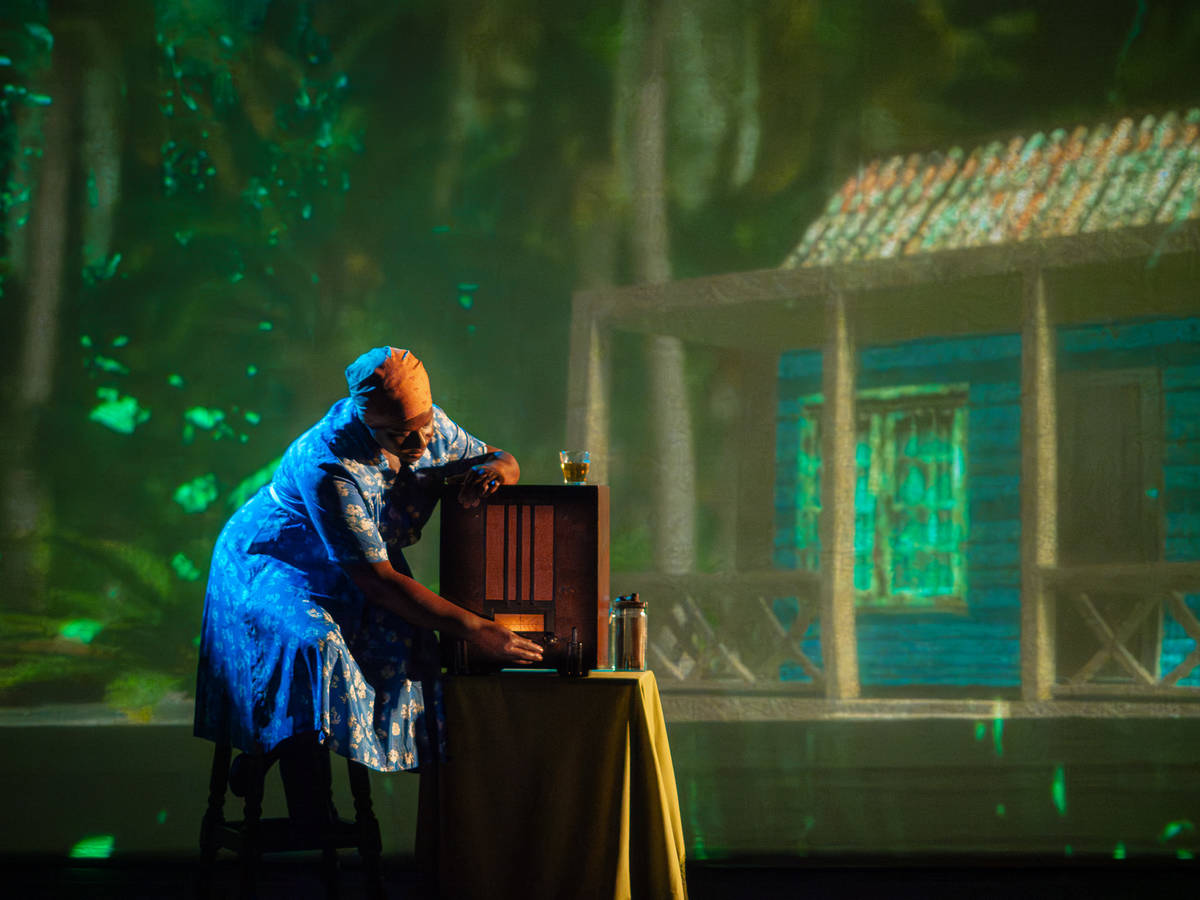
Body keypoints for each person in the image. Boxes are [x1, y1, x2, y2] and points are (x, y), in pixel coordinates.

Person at [193, 346, 542, 810]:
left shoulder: (427, 423)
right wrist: (477, 629)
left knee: (411, 638)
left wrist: (495, 471)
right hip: (274, 561)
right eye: (401, 436)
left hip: (354, 561)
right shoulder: (330, 464)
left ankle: (287, 760)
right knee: (314, 644)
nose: (420, 444)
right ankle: (307, 800)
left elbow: (501, 457)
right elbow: (377, 582)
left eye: (424, 428)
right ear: (368, 425)